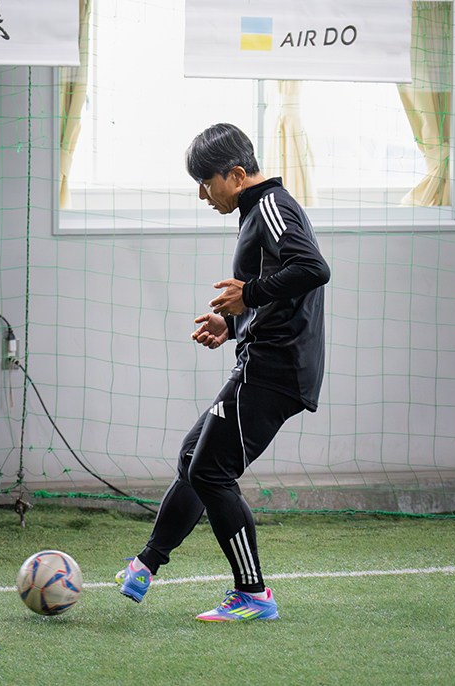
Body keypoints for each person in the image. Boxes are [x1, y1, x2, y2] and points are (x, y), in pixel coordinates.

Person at [115, 123, 330, 621]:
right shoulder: (257, 210)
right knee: (195, 458)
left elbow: (313, 269)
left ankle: (253, 595)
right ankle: (145, 565)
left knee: (211, 471)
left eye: (205, 183)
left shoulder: (272, 206)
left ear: (235, 175)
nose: (202, 195)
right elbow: (280, 293)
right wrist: (232, 324)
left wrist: (247, 295)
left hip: (276, 367)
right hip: (266, 360)